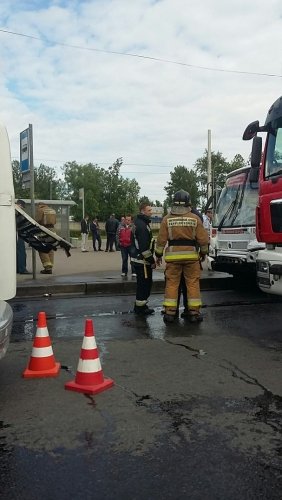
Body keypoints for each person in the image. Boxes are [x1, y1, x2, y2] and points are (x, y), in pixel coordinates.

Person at [155, 190, 209, 323]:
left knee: (172, 284)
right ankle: (194, 313)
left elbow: (161, 240)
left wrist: (158, 255)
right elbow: (203, 240)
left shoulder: (167, 219)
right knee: (192, 283)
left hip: (173, 258)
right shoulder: (195, 218)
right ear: (188, 203)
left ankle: (170, 313)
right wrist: (203, 253)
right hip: (191, 257)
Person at [131, 202, 155, 315]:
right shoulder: (142, 225)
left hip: (139, 259)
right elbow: (144, 247)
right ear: (142, 211)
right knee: (144, 285)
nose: (151, 212)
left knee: (142, 284)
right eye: (149, 210)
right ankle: (140, 308)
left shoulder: (138, 222)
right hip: (143, 262)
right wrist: (152, 261)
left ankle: (141, 305)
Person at [36, 201, 57, 274]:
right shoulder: (52, 210)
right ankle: (50, 266)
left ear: (39, 205)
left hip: (44, 231)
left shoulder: (40, 210)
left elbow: (37, 221)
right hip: (53, 230)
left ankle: (47, 268)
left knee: (42, 248)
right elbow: (55, 222)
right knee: (50, 248)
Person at [16, 199, 31, 274]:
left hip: (16, 234)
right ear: (20, 205)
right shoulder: (18, 212)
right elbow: (21, 223)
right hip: (19, 234)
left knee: (17, 252)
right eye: (22, 206)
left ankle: (18, 268)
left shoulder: (14, 211)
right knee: (21, 252)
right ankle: (22, 269)